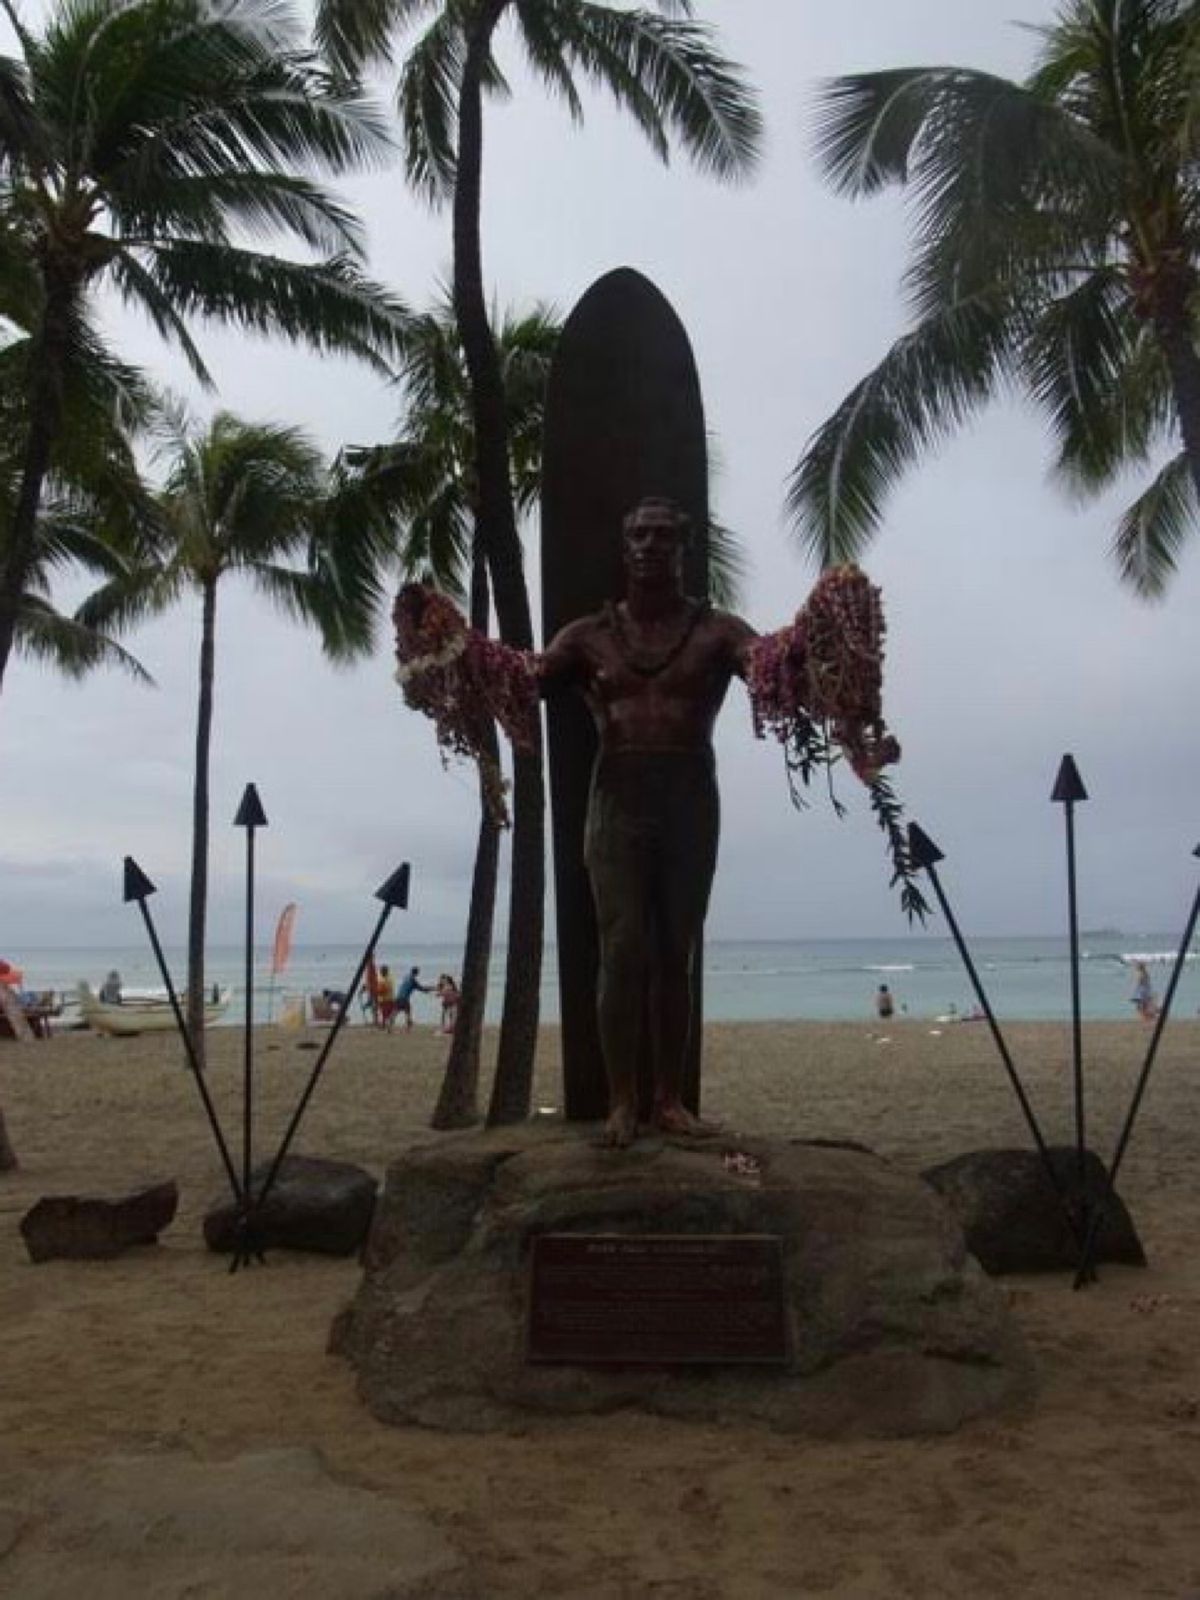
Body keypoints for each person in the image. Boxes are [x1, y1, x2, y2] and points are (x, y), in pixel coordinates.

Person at [539, 495, 757, 1147]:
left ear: (683, 549)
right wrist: (453, 659)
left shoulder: (718, 632)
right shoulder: (588, 636)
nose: (650, 546)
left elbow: (770, 666)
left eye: (663, 535)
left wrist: (822, 652)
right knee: (622, 946)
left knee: (675, 951)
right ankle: (620, 1101)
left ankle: (667, 1099)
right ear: (624, 547)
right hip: (618, 795)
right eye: (639, 535)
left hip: (689, 795)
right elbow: (529, 680)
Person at [394, 966, 432, 1032]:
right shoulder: (413, 980)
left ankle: (389, 1027)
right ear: (417, 973)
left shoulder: (406, 977)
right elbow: (422, 989)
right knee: (407, 1013)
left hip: (398, 997)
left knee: (395, 1012)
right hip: (404, 998)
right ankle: (407, 1029)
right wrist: (432, 989)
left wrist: (427, 990)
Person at [375, 964, 396, 1030]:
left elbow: (383, 990)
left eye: (381, 971)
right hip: (387, 999)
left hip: (386, 1000)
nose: (381, 972)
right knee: (385, 1014)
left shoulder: (385, 980)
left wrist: (377, 992)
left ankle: (386, 1026)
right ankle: (385, 1025)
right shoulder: (388, 978)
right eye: (381, 971)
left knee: (385, 1014)